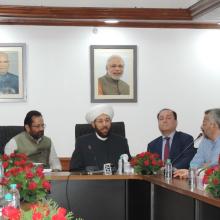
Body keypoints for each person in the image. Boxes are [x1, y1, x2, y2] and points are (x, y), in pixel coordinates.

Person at [69, 104, 131, 171]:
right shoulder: (82, 142)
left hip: (117, 181)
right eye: (100, 121)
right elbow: (74, 169)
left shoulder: (121, 141)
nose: (104, 124)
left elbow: (130, 165)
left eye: (107, 120)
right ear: (93, 124)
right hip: (91, 181)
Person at [174, 108, 220, 178]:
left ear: (213, 125)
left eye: (204, 123)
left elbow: (215, 166)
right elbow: (195, 163)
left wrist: (195, 172)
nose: (201, 126)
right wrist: (190, 172)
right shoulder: (205, 141)